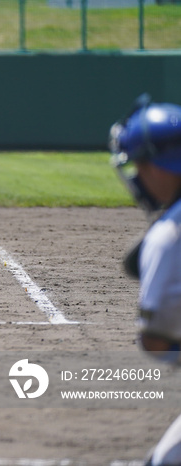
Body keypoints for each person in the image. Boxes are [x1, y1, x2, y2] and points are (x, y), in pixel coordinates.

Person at [109, 95, 181, 466]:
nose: (137, 175)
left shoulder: (169, 237)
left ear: (158, 167)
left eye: (139, 164)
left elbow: (157, 341)